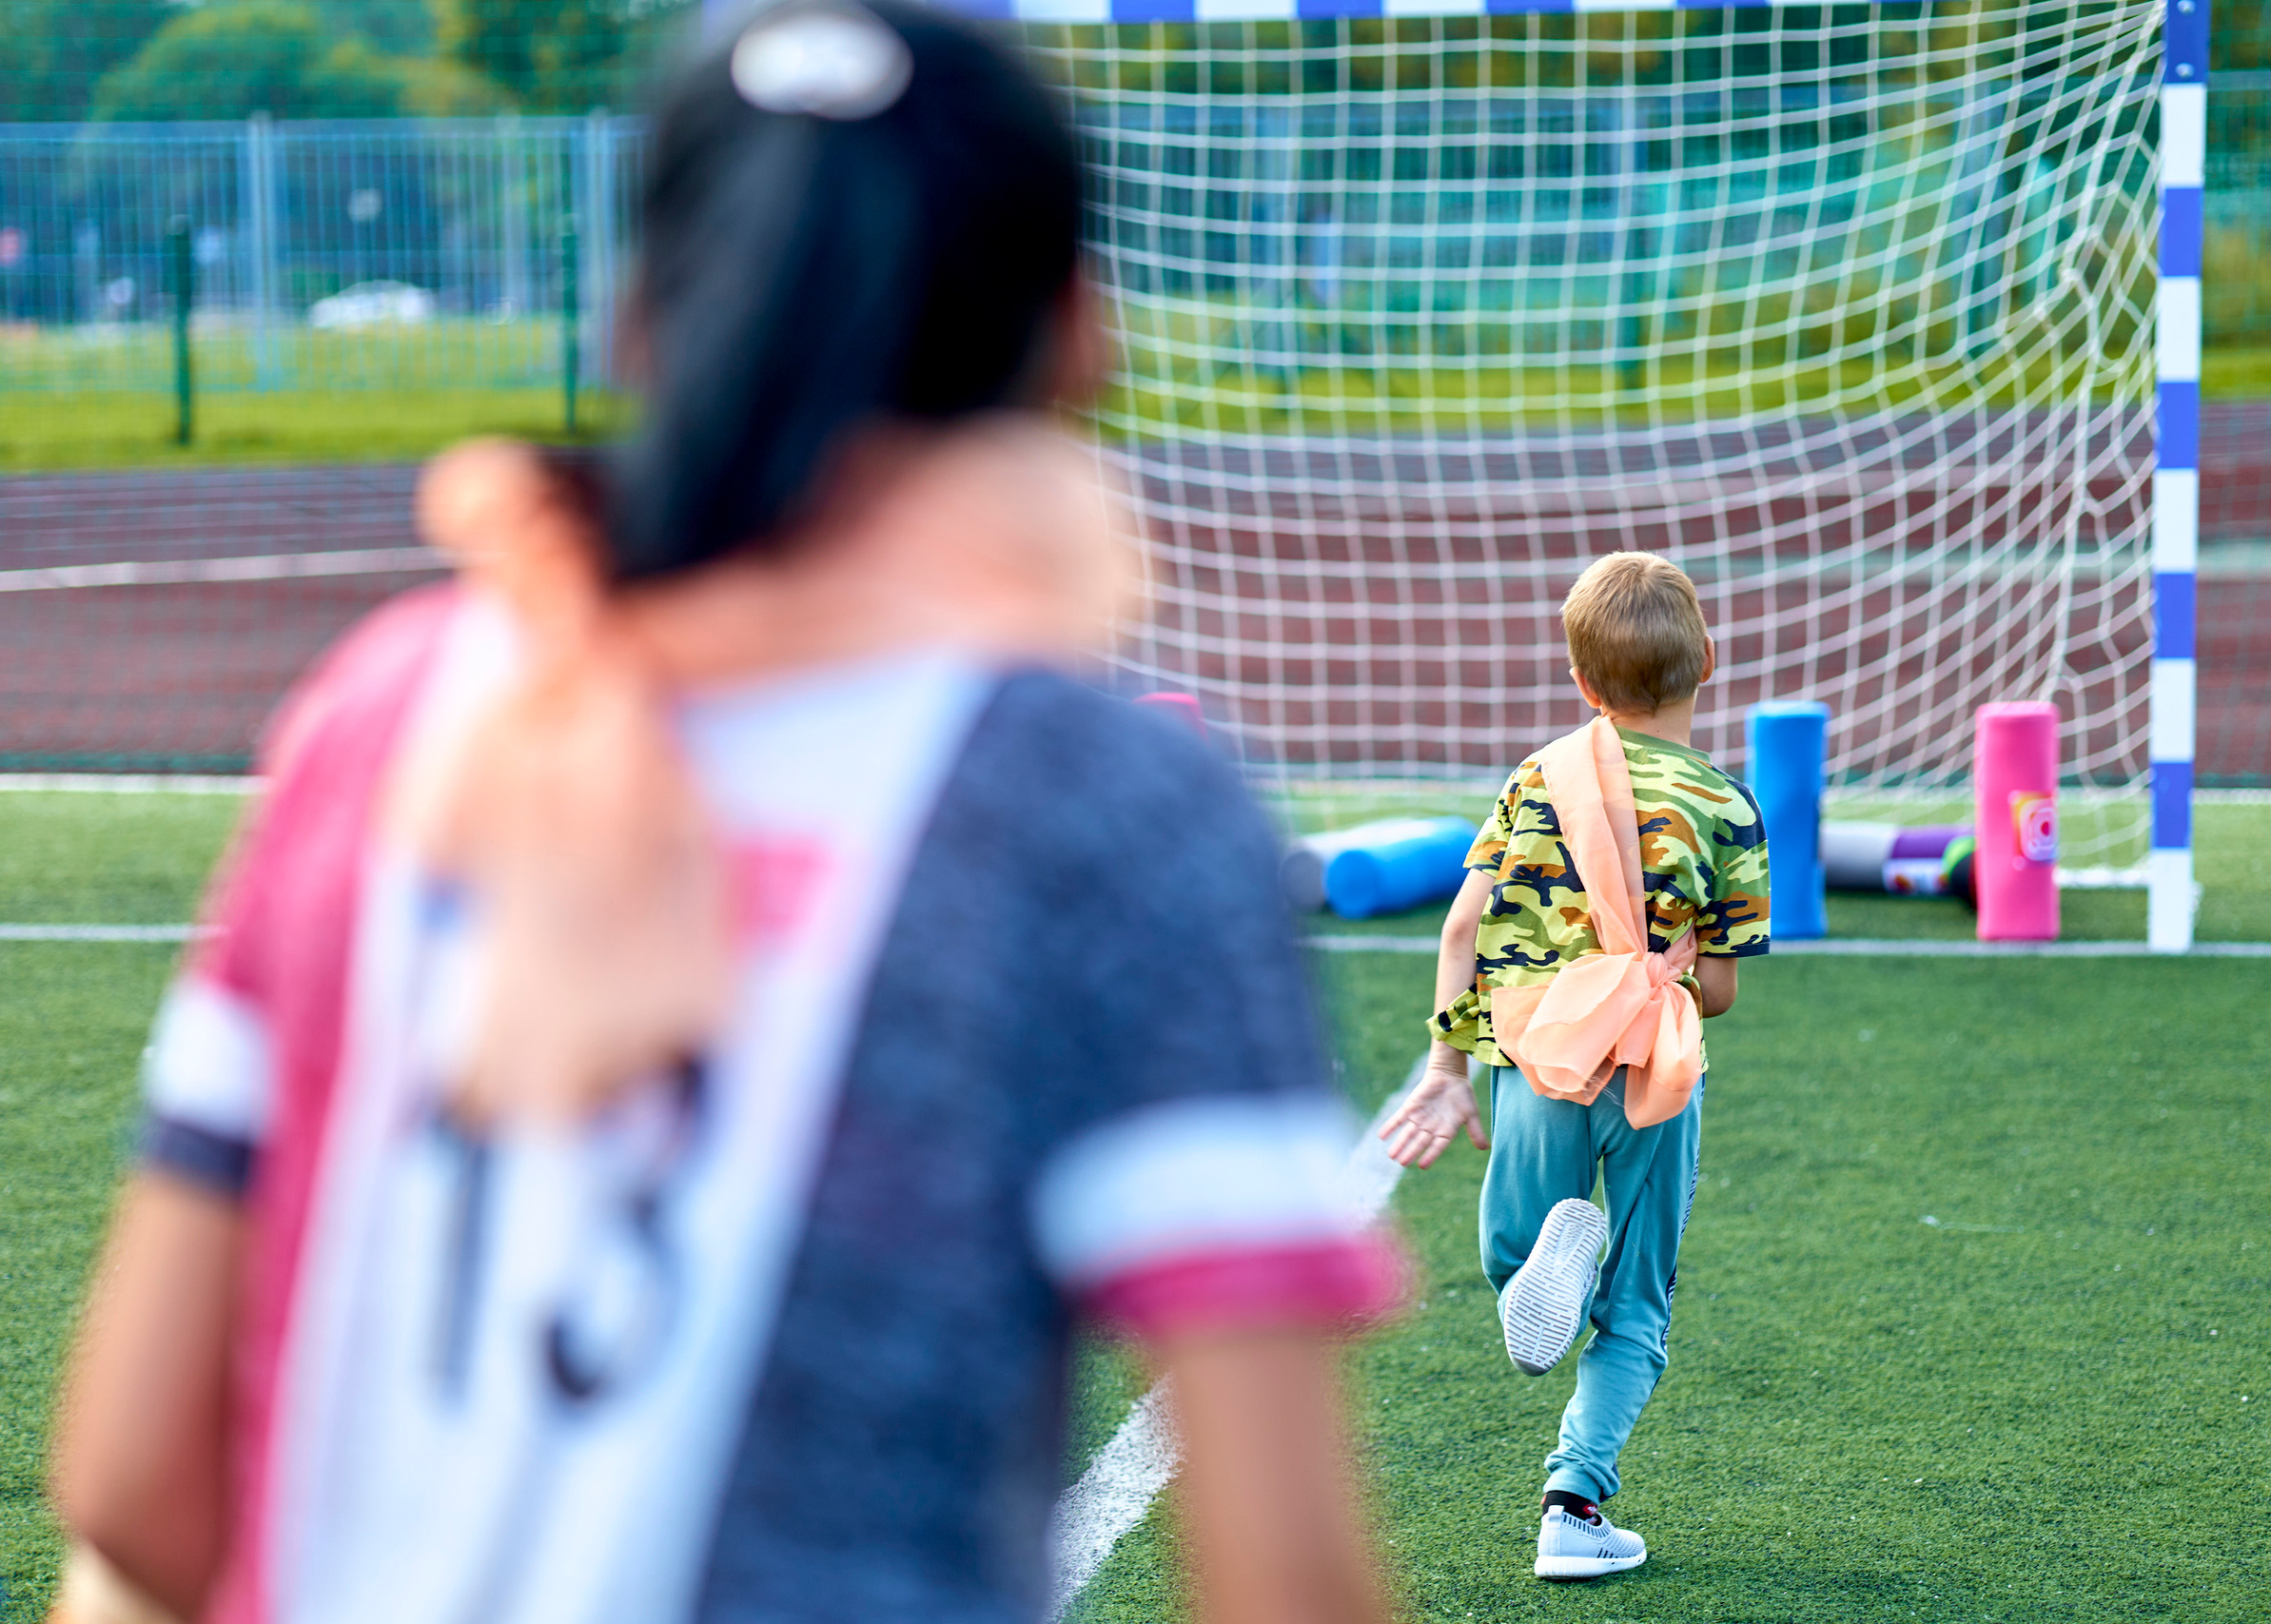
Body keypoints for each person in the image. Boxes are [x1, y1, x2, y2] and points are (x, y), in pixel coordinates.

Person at [46, 7, 1400, 1623]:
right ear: (1075, 335)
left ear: (633, 318)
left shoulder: (382, 710)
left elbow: (133, 1480)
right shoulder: (1103, 807)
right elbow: (1289, 1582)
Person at [1378, 551, 1769, 1580]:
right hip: (1647, 1074)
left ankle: (1541, 1262)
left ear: (1583, 686)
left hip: (1536, 1055)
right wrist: (1663, 966)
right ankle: (1572, 1505)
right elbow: (1717, 991)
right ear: (1708, 661)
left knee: (1522, 1266)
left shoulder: (1535, 777)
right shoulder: (1726, 809)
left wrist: (1445, 1068)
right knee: (1635, 1310)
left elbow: (1464, 921)